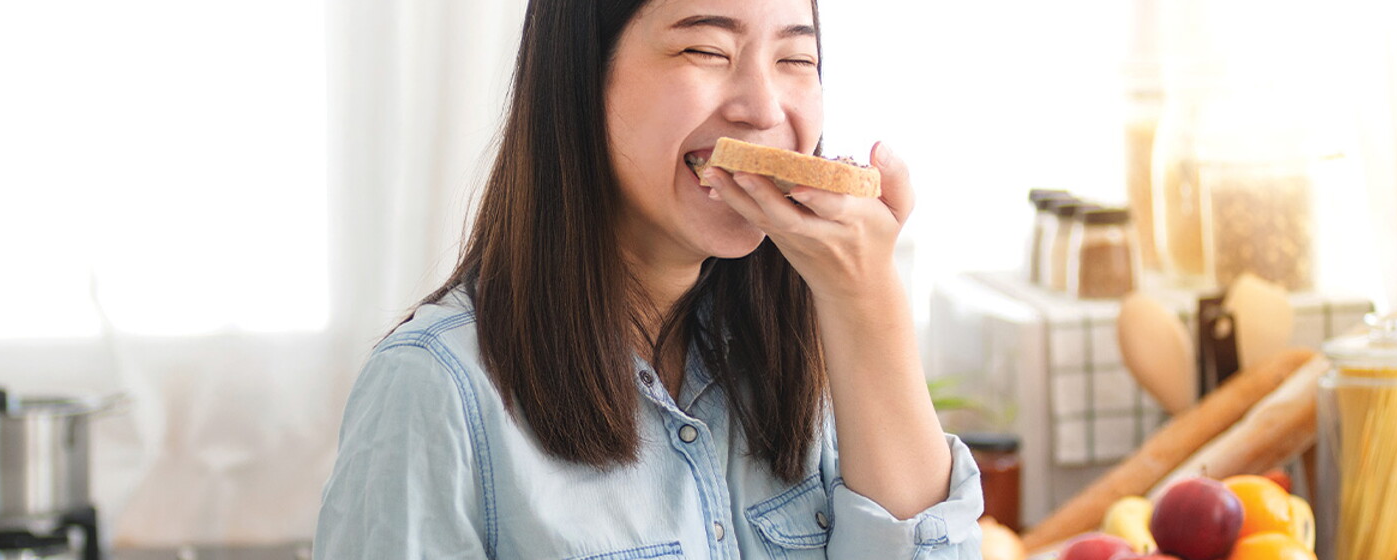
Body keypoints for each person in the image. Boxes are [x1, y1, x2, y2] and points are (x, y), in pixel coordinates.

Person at [315, 0, 983, 557]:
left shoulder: (816, 334)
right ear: (582, 76)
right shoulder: (434, 388)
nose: (762, 108)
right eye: (705, 52)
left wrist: (869, 302)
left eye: (795, 60)